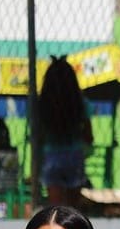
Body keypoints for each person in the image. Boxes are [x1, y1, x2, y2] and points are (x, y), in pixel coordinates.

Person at [38, 56, 93, 208]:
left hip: (51, 157)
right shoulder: (81, 104)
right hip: (74, 156)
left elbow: (38, 137)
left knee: (56, 210)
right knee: (72, 211)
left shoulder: (41, 106)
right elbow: (89, 137)